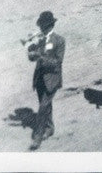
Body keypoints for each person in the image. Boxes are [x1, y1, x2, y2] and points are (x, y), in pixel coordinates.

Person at [27, 10, 65, 150]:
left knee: (42, 108)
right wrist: (31, 50)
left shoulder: (60, 40)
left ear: (49, 26)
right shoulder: (39, 40)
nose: (40, 28)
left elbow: (57, 62)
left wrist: (41, 56)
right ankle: (50, 128)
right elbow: (31, 58)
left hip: (52, 79)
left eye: (42, 26)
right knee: (45, 105)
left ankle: (37, 137)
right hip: (39, 79)